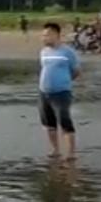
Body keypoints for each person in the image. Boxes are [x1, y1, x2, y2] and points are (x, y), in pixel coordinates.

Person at [39, 22, 81, 162]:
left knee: (65, 122)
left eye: (47, 35)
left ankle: (71, 152)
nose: (44, 38)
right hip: (44, 93)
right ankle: (55, 150)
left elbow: (76, 71)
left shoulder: (67, 52)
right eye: (43, 35)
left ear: (56, 35)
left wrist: (64, 81)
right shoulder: (44, 52)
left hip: (61, 93)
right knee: (49, 124)